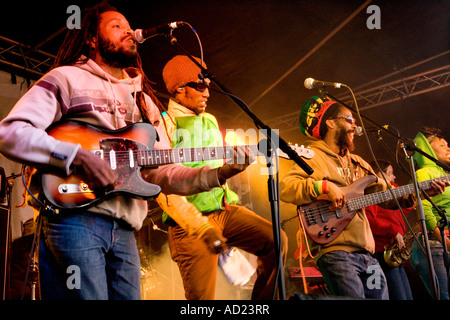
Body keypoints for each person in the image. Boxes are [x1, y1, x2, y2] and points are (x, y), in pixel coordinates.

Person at [0, 5, 251, 300]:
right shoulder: (66, 79)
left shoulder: (144, 101)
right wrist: (77, 156)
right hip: (74, 220)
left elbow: (163, 173)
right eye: (117, 26)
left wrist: (220, 173)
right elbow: (11, 132)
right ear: (92, 38)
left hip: (125, 230)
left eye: (129, 26)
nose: (128, 32)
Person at [279, 96, 448, 299]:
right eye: (349, 119)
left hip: (368, 256)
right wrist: (322, 186)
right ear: (331, 123)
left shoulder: (359, 163)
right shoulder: (313, 156)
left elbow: (388, 197)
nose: (355, 125)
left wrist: (418, 194)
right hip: (336, 252)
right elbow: (286, 187)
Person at [160, 55, 288, 300]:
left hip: (224, 210)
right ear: (179, 88)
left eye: (207, 84)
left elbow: (215, 167)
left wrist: (234, 167)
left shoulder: (210, 119)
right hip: (188, 223)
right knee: (202, 301)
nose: (207, 92)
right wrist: (199, 227)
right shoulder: (164, 124)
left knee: (277, 240)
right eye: (200, 85)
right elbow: (163, 189)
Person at [409, 126, 450, 300]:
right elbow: (423, 208)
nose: (448, 148)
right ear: (427, 151)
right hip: (433, 243)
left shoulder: (445, 173)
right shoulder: (424, 173)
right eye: (442, 145)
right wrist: (445, 242)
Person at [365, 160, 415, 300]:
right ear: (379, 174)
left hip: (393, 253)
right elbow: (368, 221)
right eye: (390, 173)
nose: (394, 177)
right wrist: (393, 231)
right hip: (381, 254)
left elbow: (403, 207)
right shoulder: (371, 192)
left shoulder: (391, 189)